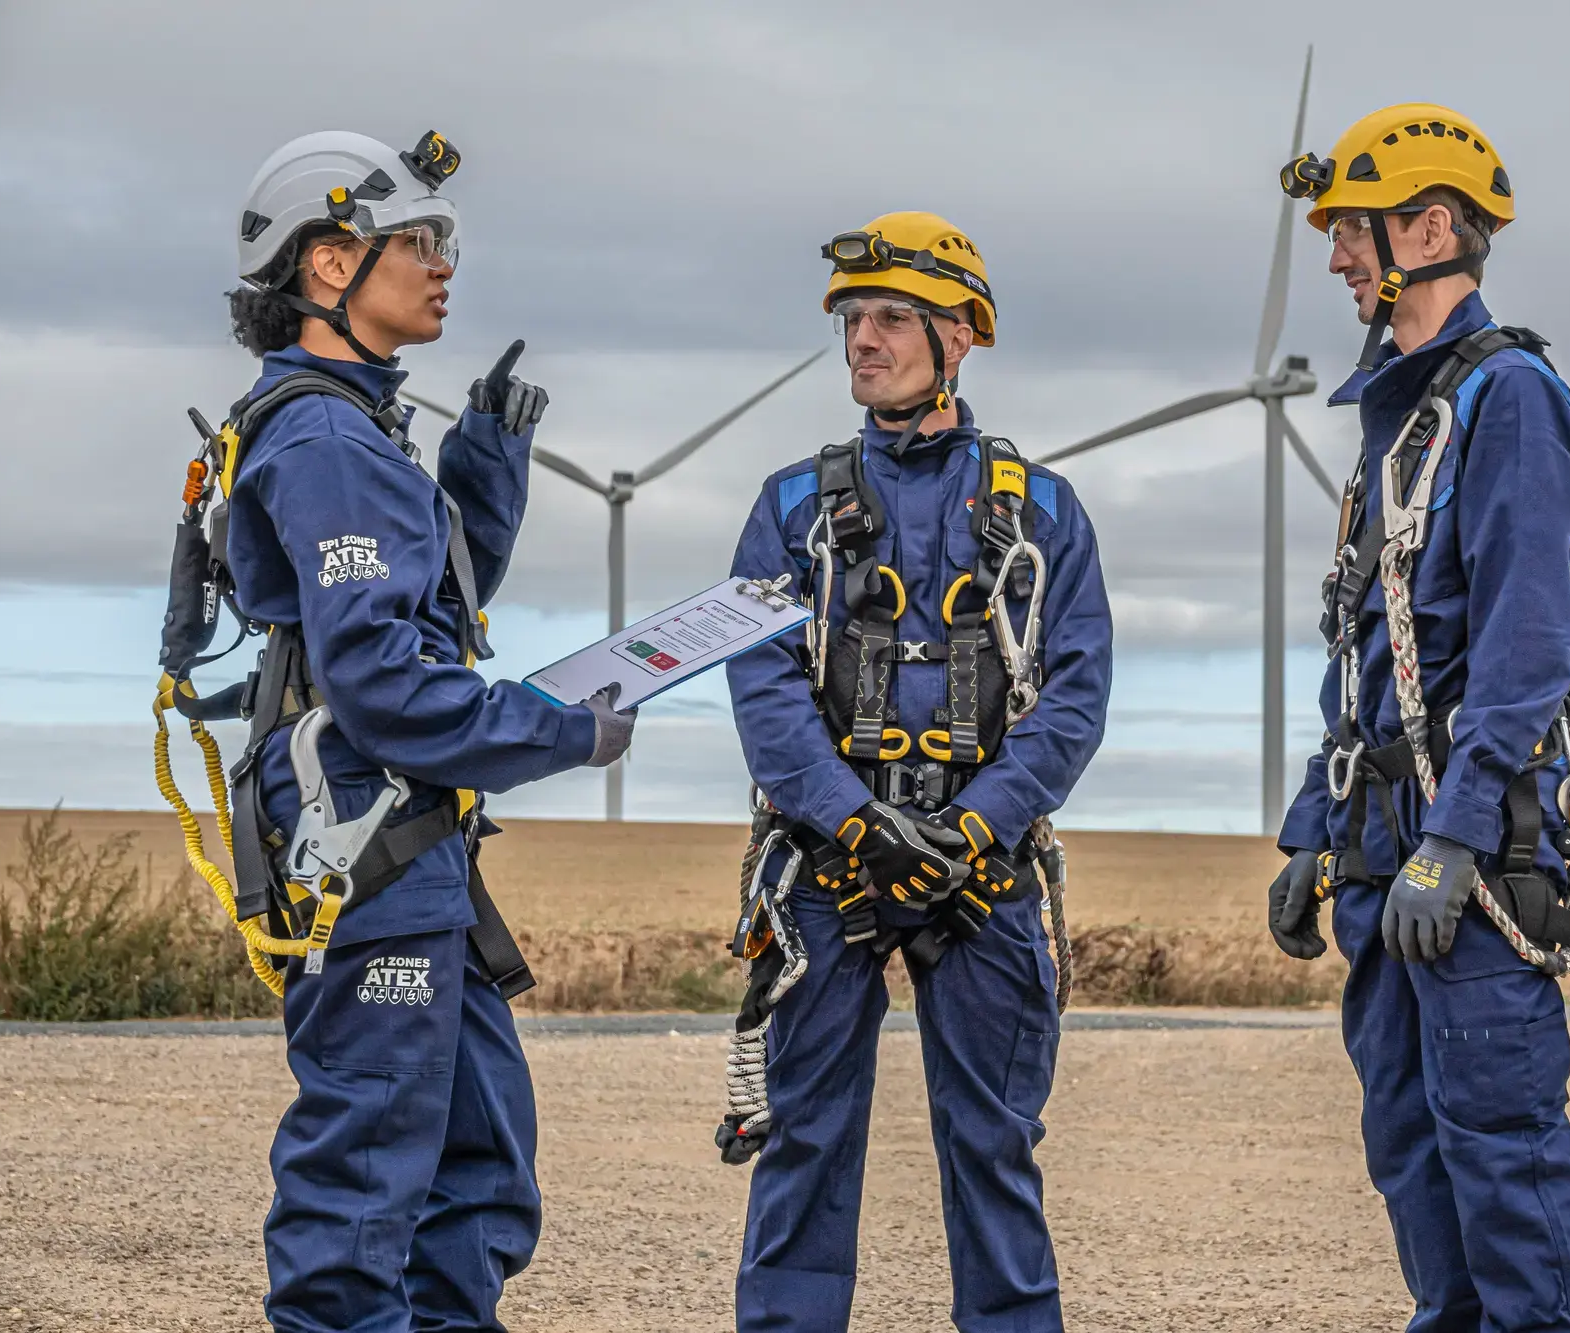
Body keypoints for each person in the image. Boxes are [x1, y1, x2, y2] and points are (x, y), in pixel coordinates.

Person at [221, 130, 633, 1332]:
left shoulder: (361, 432)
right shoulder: (325, 440)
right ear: (329, 264)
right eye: (421, 243)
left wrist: (486, 474)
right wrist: (562, 733)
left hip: (413, 850)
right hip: (372, 847)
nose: (445, 265)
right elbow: (385, 686)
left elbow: (428, 622)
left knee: (477, 1179)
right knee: (360, 1198)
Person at [722, 212, 1112, 1332]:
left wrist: (975, 829)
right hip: (822, 868)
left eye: (891, 316)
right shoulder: (789, 506)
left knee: (992, 1144)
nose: (862, 339)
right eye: (853, 318)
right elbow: (761, 685)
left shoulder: (1041, 512)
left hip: (982, 875)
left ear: (961, 336)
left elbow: (1073, 696)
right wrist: (852, 825)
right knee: (802, 1139)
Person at [1267, 106, 1570, 1331]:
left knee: (1500, 1158)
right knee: (1410, 1151)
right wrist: (1313, 827)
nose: (1334, 262)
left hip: (1458, 853)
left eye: (1350, 233)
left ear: (1427, 227)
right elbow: (1359, 644)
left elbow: (1525, 650)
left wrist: (1456, 835)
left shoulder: (1508, 397)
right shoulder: (1395, 416)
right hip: (1379, 844)